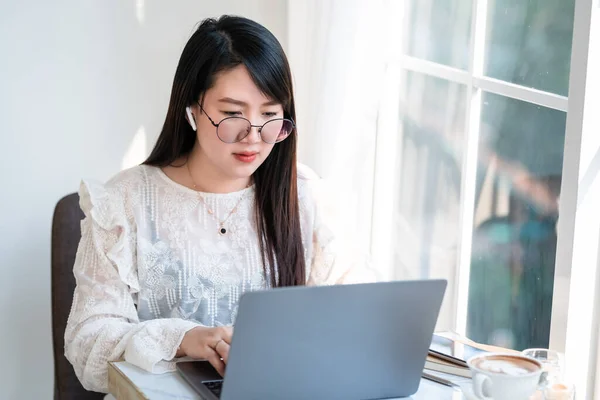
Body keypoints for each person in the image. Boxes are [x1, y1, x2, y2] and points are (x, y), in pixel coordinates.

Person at [64, 15, 371, 394]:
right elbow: (87, 346)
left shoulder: (305, 196)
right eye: (232, 114)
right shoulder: (124, 203)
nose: (253, 137)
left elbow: (359, 313)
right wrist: (181, 338)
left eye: (270, 115)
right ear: (193, 109)